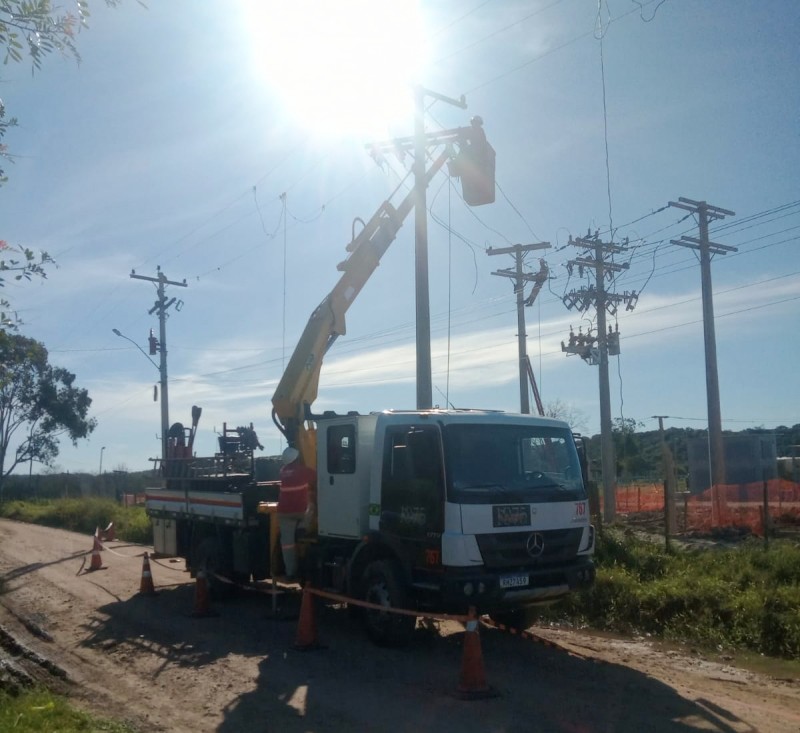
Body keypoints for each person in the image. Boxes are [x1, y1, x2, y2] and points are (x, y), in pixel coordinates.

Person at [277, 446, 315, 580]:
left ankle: (290, 573)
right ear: (297, 458)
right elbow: (317, 475)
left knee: (287, 544)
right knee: (312, 507)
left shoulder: (282, 471)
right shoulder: (302, 471)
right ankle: (302, 528)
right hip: (300, 511)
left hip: (284, 512)